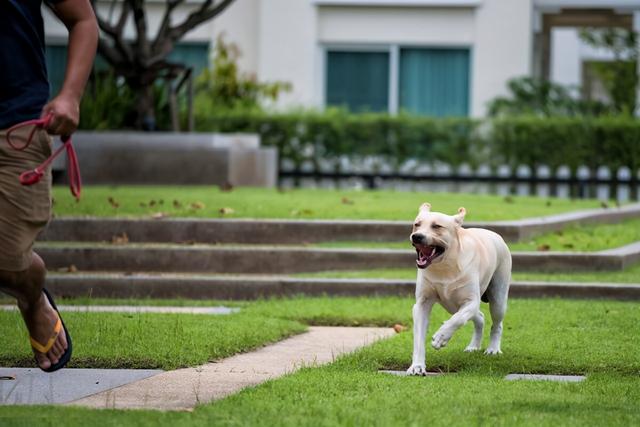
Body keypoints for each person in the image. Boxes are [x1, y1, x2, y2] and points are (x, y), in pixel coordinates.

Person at [0, 0, 98, 371]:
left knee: (6, 260)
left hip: (15, 130)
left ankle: (31, 295)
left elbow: (83, 19)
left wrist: (71, 95)